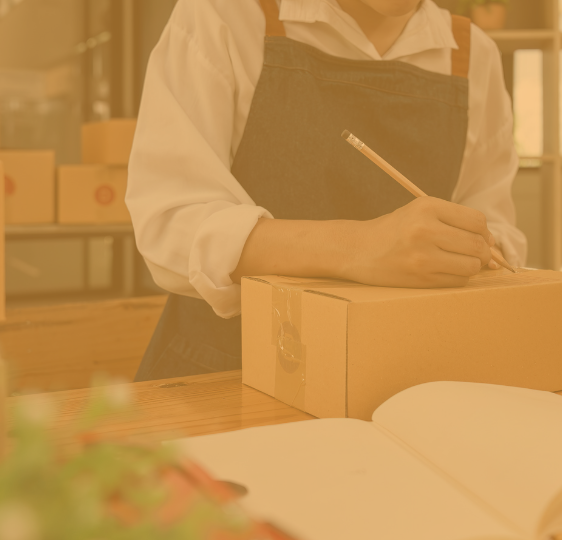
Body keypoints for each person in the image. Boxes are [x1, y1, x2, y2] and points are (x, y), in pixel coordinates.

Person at [127, 0, 527, 381]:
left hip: (399, 378)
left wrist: (476, 250)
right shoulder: (226, 15)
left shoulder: (475, 55)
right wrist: (360, 247)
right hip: (224, 372)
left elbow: (494, 227)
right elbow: (170, 224)